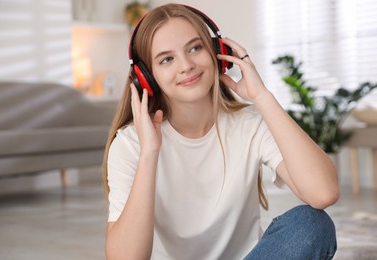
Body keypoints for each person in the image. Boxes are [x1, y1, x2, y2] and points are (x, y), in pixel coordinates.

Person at [102, 3, 339, 259]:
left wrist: (262, 97)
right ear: (146, 77)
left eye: (195, 48)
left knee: (311, 225)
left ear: (219, 52)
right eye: (167, 59)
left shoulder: (249, 123)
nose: (186, 65)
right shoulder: (131, 143)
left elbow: (323, 193)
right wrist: (149, 152)